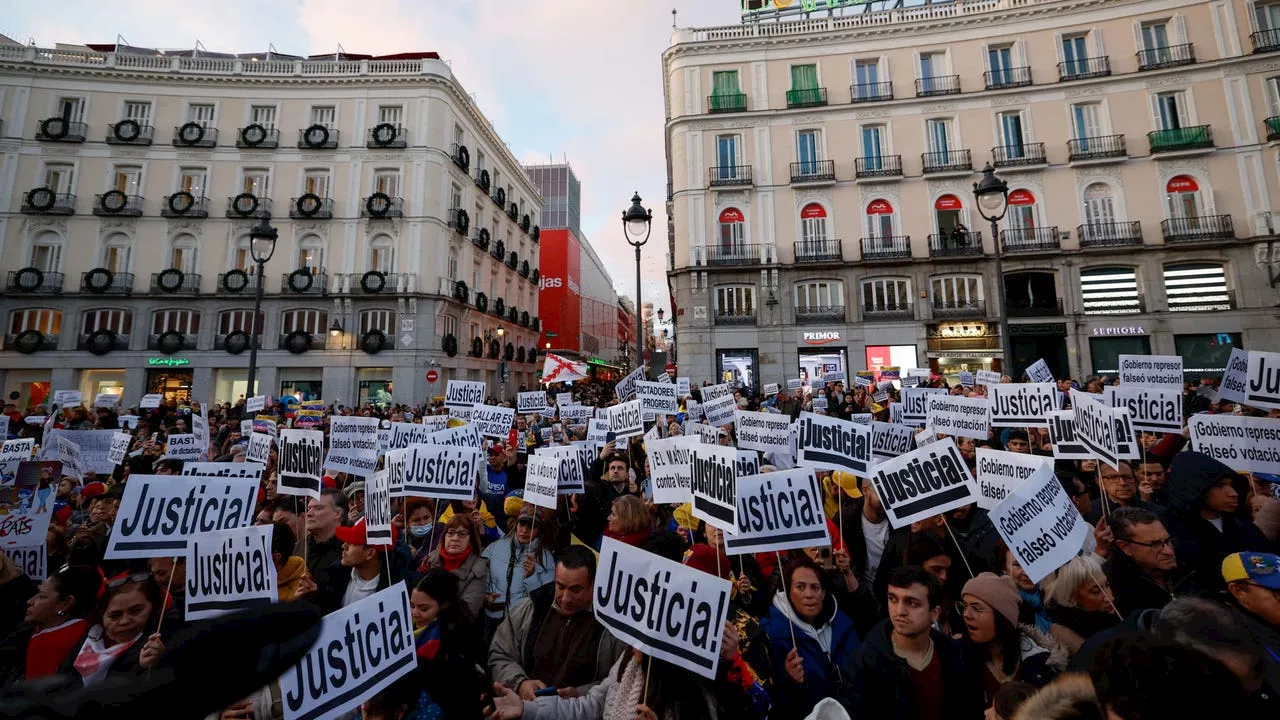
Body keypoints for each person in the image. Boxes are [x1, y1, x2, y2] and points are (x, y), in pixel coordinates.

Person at [489, 545, 626, 700]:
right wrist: (520, 684)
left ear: (593, 584)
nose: (565, 598)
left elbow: (621, 680)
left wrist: (581, 693)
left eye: (575, 590)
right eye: (560, 587)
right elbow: (499, 653)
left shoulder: (612, 627)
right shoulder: (531, 608)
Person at [848, 566, 981, 720]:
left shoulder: (951, 655)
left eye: (912, 603)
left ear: (934, 613)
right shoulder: (865, 662)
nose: (899, 611)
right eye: (893, 599)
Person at [759, 555, 860, 719]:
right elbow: (771, 704)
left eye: (815, 587)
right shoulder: (772, 635)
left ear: (824, 592)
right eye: (800, 587)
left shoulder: (844, 625)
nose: (809, 594)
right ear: (788, 592)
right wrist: (790, 681)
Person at [1165, 452, 1272, 593]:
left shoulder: (1245, 528)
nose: (1233, 493)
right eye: (1220, 486)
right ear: (1195, 487)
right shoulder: (1171, 532)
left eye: (1232, 485)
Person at [957, 573, 1063, 708]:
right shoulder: (959, 657)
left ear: (1003, 617)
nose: (966, 614)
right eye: (964, 606)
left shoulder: (1041, 664)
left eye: (977, 608)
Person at [408, 569, 487, 719]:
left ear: (444, 605)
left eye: (423, 608)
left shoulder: (454, 644)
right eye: (412, 605)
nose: (415, 613)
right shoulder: (404, 628)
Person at [0, 565, 100, 683]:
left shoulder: (53, 643)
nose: (30, 601)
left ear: (66, 603)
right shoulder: (34, 631)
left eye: (42, 596)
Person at [63, 573, 166, 686]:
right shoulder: (89, 640)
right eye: (115, 616)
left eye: (136, 611)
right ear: (102, 616)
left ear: (153, 608)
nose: (124, 621)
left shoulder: (160, 645)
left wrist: (154, 666)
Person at [1103, 506, 1201, 612]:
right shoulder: (1110, 587)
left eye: (1168, 541)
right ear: (1125, 547)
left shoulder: (1189, 567)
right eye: (1155, 545)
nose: (1169, 552)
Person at [482, 504, 556, 640]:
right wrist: (485, 597)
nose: (524, 530)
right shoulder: (495, 547)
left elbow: (546, 600)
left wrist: (532, 576)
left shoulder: (546, 559)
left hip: (521, 623)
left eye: (531, 526)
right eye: (522, 524)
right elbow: (480, 576)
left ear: (538, 530)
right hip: (492, 619)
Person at [1040, 555, 1119, 654]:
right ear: (1071, 599)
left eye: (1107, 585)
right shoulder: (1072, 639)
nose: (1110, 598)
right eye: (1096, 591)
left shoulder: (1117, 610)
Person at [422, 513, 490, 623]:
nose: (455, 538)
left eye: (462, 534)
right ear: (444, 537)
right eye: (450, 533)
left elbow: (468, 612)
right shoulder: (429, 560)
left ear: (471, 539)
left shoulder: (478, 568)